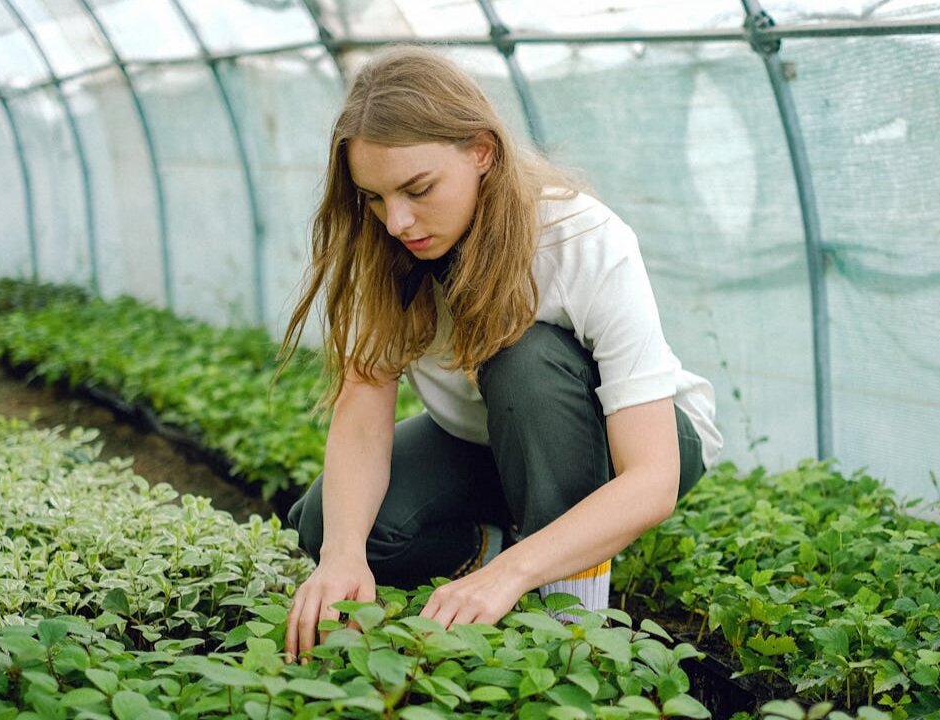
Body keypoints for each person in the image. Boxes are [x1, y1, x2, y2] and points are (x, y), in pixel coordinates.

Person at [278, 45, 721, 661]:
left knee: (524, 356)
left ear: (481, 151)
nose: (398, 221)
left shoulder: (581, 238)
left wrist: (511, 577)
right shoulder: (380, 251)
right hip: (489, 442)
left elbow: (652, 478)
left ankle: (571, 613)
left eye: (418, 188)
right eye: (375, 198)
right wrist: (342, 559)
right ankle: (498, 543)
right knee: (327, 525)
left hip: (631, 448)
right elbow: (361, 418)